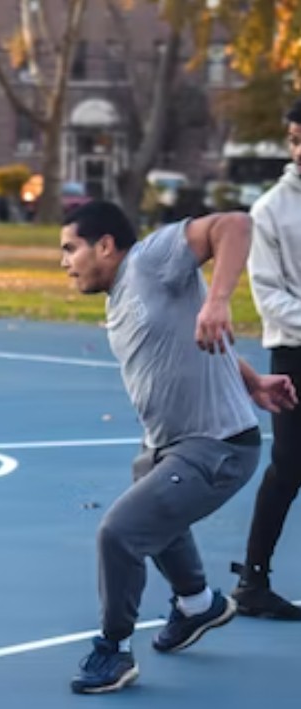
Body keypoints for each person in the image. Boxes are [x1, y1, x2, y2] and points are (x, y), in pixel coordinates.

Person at [58, 201, 297, 694]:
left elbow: (235, 224)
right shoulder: (120, 298)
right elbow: (185, 340)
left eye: (70, 248)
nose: (64, 261)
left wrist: (221, 300)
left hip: (217, 447)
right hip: (170, 446)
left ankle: (114, 650)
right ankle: (197, 604)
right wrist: (249, 379)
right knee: (148, 485)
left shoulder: (149, 260)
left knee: (119, 532)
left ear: (105, 245)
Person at [230, 98, 301, 620]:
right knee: (291, 465)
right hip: (294, 352)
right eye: (294, 140)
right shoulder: (271, 210)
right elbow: (268, 295)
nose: (298, 151)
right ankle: (253, 580)